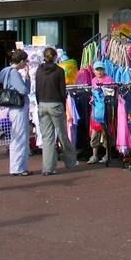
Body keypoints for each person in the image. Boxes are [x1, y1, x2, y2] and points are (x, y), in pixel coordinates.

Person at [35, 46, 78, 175]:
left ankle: (48, 168)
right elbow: (62, 91)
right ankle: (70, 162)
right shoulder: (59, 71)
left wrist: (39, 103)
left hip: (42, 104)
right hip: (56, 104)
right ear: (55, 57)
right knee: (62, 135)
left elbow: (37, 90)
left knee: (47, 138)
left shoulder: (39, 70)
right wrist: (63, 106)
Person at [0, 49, 33, 176]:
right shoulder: (14, 73)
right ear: (22, 61)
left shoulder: (5, 71)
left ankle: (17, 167)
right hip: (19, 107)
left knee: (16, 136)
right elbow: (24, 90)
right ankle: (18, 168)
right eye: (26, 61)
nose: (26, 64)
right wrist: (27, 77)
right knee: (20, 138)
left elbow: (0, 79)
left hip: (12, 108)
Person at [87, 60, 114, 164]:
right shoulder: (93, 80)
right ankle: (94, 155)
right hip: (95, 111)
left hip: (106, 110)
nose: (99, 72)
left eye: (101, 69)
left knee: (106, 132)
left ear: (104, 70)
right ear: (93, 71)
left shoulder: (109, 79)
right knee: (95, 132)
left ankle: (107, 154)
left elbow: (112, 93)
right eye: (97, 69)